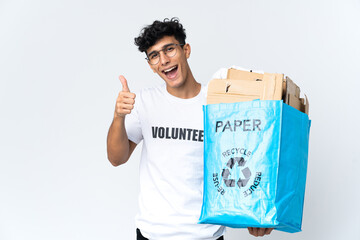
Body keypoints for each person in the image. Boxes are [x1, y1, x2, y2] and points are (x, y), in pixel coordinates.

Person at [106, 17, 273, 239]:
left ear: (186, 50)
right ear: (150, 65)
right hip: (153, 234)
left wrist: (258, 214)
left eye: (169, 49)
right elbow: (117, 158)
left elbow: (248, 156)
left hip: (205, 234)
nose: (164, 60)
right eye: (155, 55)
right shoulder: (144, 102)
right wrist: (118, 117)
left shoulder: (218, 102)